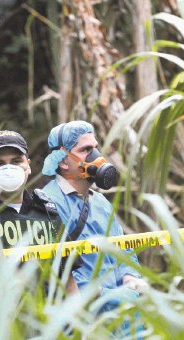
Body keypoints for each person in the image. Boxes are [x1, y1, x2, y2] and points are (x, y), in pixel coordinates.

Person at [0, 130, 78, 293]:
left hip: (48, 316)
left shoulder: (48, 214)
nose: (9, 169)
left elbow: (68, 280)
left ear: (28, 166)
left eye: (16, 161)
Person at [41, 121, 148, 307]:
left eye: (96, 148)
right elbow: (61, 270)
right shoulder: (48, 203)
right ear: (63, 160)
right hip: (87, 318)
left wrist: (130, 278)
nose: (96, 157)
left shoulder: (100, 202)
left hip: (124, 315)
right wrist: (106, 294)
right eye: (86, 150)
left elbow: (123, 247)